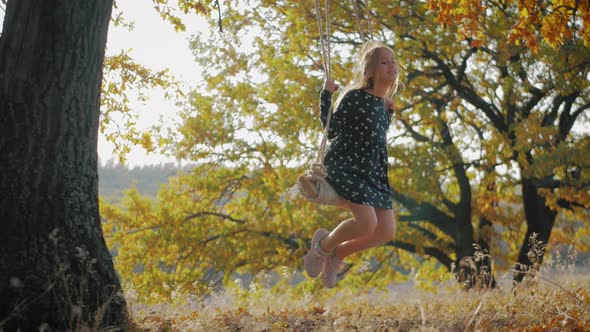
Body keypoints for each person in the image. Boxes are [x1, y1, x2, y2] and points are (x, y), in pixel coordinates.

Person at [303, 41, 400, 288]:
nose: (392, 66)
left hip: (374, 172)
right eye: (384, 61)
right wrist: (326, 94)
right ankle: (322, 247)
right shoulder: (355, 97)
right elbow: (332, 128)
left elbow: (376, 134)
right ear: (370, 71)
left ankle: (337, 255)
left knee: (385, 231)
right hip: (349, 167)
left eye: (393, 61)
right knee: (367, 223)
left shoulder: (382, 104)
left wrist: (389, 112)